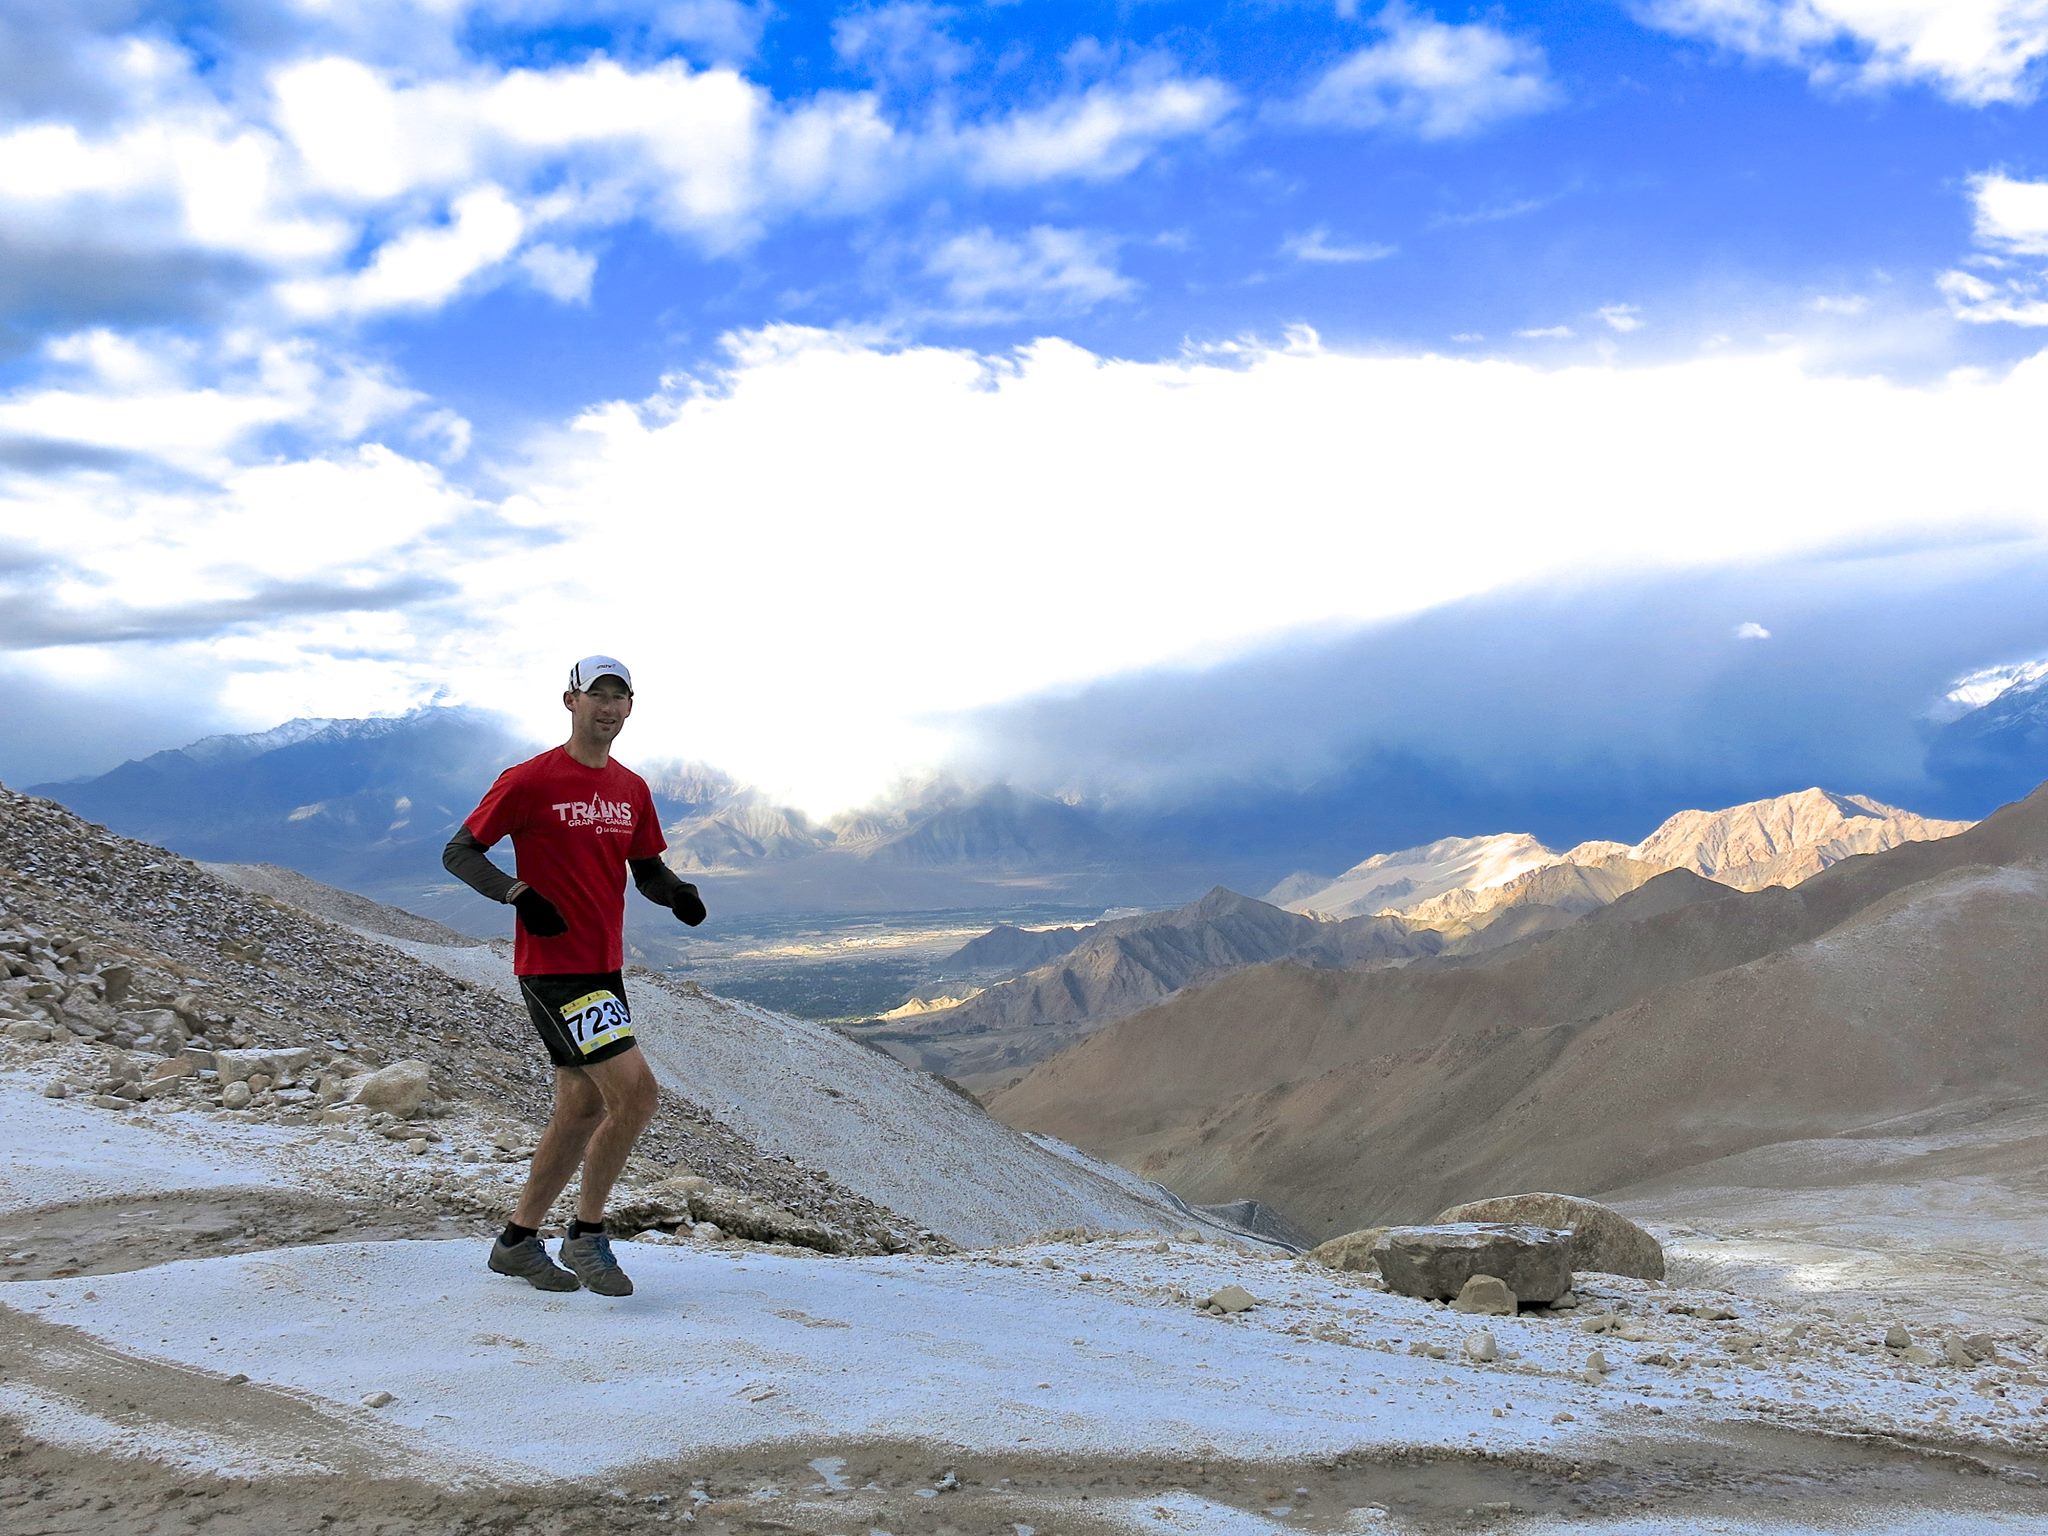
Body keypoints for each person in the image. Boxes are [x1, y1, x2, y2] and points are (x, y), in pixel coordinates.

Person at [442, 655, 707, 1296]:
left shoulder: (631, 788)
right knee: (637, 1095)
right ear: (571, 700)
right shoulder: (531, 779)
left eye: (620, 697)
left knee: (583, 1107)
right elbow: (460, 851)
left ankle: (517, 1242)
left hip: (602, 966)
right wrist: (516, 893)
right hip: (554, 968)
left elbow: (644, 868)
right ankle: (587, 1235)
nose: (609, 708)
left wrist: (676, 893)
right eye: (598, 695)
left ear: (630, 707)